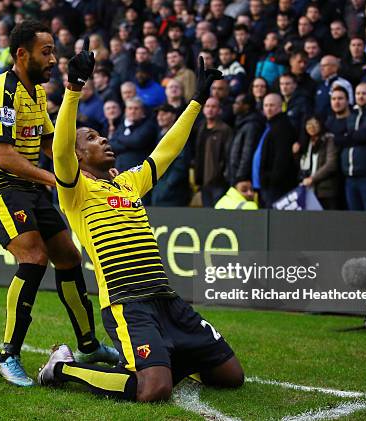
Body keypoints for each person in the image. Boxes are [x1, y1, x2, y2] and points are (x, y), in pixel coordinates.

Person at [40, 49, 244, 401]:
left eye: (101, 136)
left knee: (231, 376)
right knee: (154, 389)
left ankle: (163, 357)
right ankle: (62, 367)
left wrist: (197, 99)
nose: (103, 139)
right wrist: (73, 89)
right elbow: (59, 152)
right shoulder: (75, 190)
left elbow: (167, 150)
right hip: (126, 303)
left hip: (166, 298)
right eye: (90, 138)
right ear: (78, 157)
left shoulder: (129, 181)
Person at [0, 19, 117, 388]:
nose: (54, 59)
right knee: (33, 257)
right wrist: (59, 180)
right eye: (46, 52)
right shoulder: (3, 92)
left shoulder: (34, 92)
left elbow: (52, 146)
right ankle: (7, 355)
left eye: (53, 51)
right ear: (22, 54)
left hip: (26, 185)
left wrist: (83, 173)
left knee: (68, 256)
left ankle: (87, 346)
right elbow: (2, 155)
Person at [334, 82, 366, 211]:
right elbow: (339, 138)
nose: (360, 96)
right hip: (349, 176)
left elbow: (364, 136)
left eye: (364, 93)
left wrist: (348, 137)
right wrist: (349, 137)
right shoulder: (352, 115)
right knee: (354, 218)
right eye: (358, 93)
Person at [252, 93, 298, 208]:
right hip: (265, 185)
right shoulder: (269, 125)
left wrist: (271, 180)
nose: (268, 109)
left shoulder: (282, 127)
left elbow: (282, 157)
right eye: (266, 105)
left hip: (275, 187)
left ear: (280, 106)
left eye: (272, 105)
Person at [195, 97, 234, 207]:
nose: (210, 109)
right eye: (207, 106)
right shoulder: (200, 128)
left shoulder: (225, 130)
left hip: (219, 182)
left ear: (219, 110)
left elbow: (228, 156)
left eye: (213, 106)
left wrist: (223, 175)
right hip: (203, 181)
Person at [150, 104, 191, 206]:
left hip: (174, 190)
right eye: (159, 114)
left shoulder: (179, 134)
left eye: (164, 114)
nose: (160, 117)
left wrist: (169, 183)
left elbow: (181, 163)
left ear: (173, 116)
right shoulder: (160, 134)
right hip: (159, 186)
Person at [298, 117, 341, 210]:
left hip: (326, 190)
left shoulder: (329, 139)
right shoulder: (306, 142)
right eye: (308, 124)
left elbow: (331, 164)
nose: (311, 126)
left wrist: (313, 178)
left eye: (315, 123)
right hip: (309, 190)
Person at [227, 94, 265, 192]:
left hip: (242, 179)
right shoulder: (241, 123)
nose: (233, 105)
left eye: (237, 103)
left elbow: (247, 153)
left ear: (246, 106)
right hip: (235, 175)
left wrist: (240, 177)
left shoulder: (251, 125)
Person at [109, 97, 158, 172]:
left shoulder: (149, 125)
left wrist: (119, 138)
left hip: (139, 170)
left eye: (136, 108)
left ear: (142, 111)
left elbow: (136, 141)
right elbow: (111, 145)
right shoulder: (122, 125)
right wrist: (130, 144)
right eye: (130, 108)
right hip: (119, 170)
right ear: (125, 111)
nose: (133, 111)